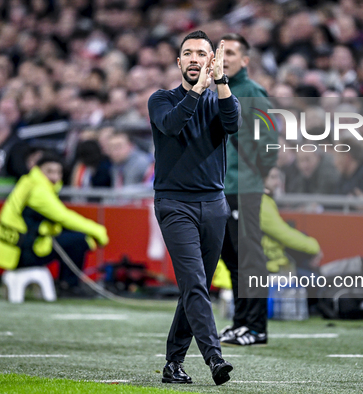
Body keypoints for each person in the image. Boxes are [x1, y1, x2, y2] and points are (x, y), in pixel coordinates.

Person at [148, 31, 240, 386]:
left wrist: (219, 82)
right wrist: (197, 91)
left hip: (214, 205)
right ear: (178, 62)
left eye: (201, 53)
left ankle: (173, 363)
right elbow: (172, 126)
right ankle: (214, 357)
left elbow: (234, 125)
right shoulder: (161, 99)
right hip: (174, 204)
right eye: (187, 53)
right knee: (196, 282)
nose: (193, 58)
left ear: (210, 61)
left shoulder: (222, 98)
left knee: (193, 287)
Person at [218, 33, 277, 348]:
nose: (225, 57)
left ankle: (256, 327)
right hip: (219, 188)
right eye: (221, 52)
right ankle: (241, 324)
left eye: (232, 52)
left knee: (249, 258)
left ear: (245, 60)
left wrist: (256, 174)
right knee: (232, 258)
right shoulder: (214, 89)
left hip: (244, 188)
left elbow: (270, 142)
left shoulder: (253, 92)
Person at [0, 151, 109, 296]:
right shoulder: (39, 190)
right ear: (38, 170)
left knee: (71, 237)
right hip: (22, 253)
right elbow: (63, 217)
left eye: (58, 172)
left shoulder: (27, 182)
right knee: (80, 239)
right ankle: (69, 287)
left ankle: (67, 284)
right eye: (49, 171)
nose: (55, 177)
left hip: (12, 250)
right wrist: (98, 231)